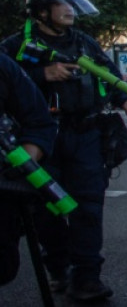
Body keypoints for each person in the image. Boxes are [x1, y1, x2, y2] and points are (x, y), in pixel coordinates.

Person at [1, 0, 127, 302]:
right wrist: (43, 75)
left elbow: (107, 72)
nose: (69, 10)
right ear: (40, 11)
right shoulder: (14, 47)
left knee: (89, 208)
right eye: (60, 4)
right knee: (45, 210)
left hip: (86, 134)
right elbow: (9, 86)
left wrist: (125, 99)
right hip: (41, 140)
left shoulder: (84, 43)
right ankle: (57, 268)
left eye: (70, 3)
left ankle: (88, 277)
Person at [0, 51, 58, 287]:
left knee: (3, 266)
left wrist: (26, 160)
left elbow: (38, 120)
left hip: (3, 183)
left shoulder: (4, 66)